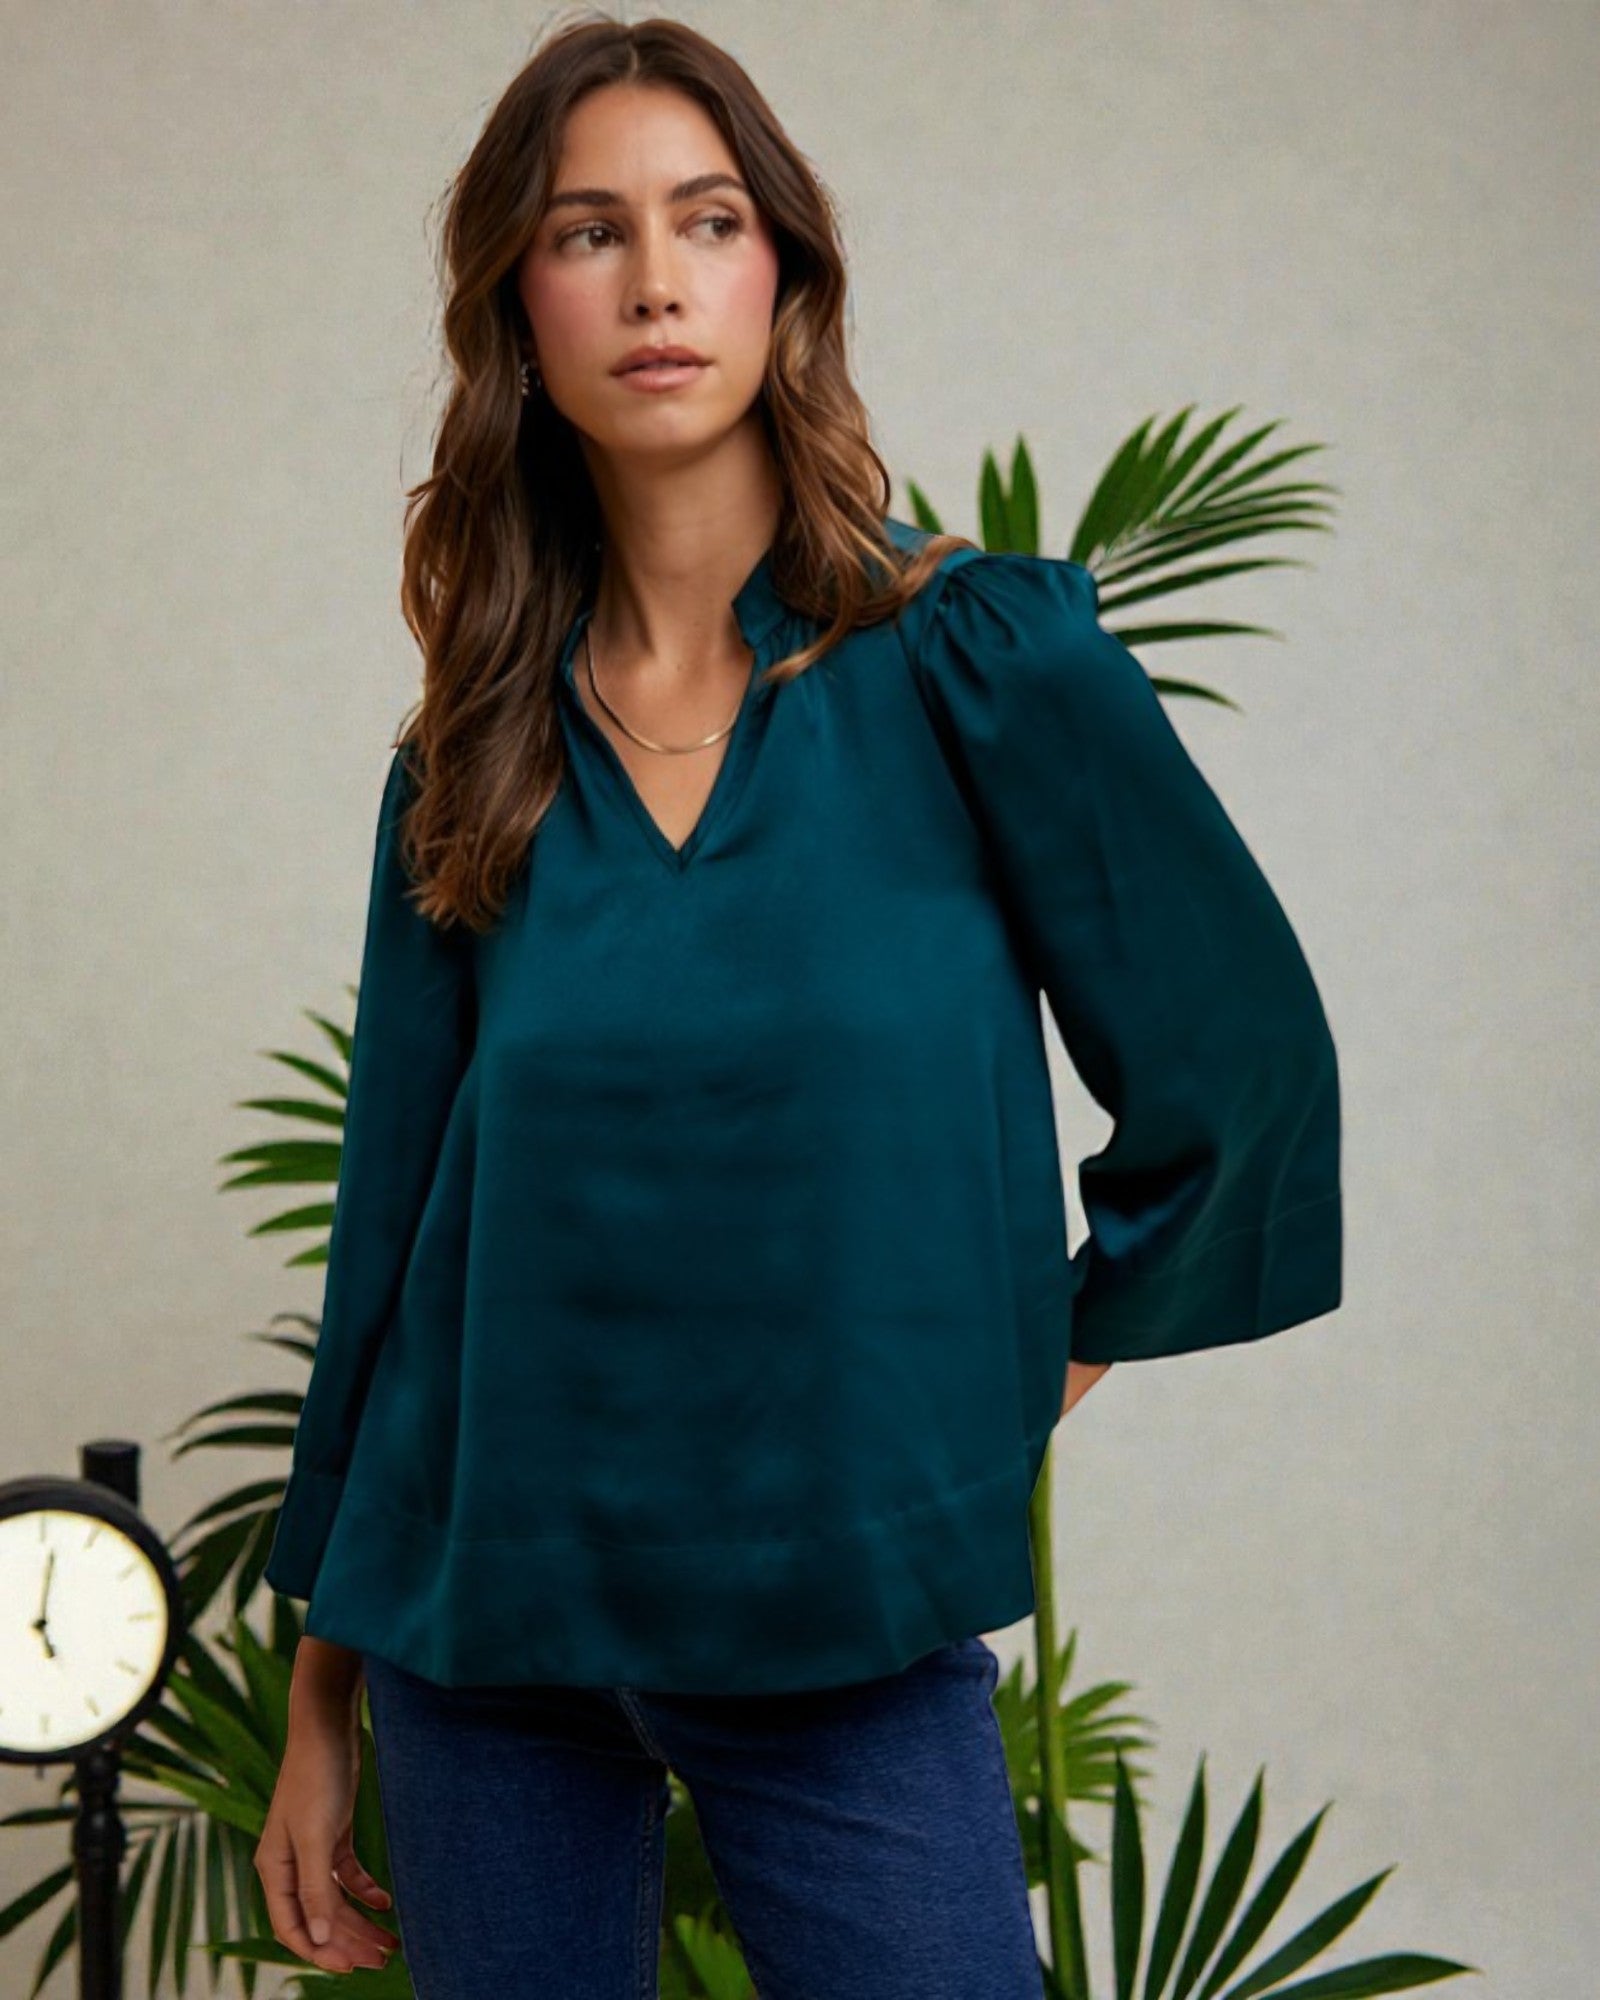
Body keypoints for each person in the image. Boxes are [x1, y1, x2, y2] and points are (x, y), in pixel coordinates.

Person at [252, 16, 1344, 1997]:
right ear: (519, 298)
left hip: (836, 1630)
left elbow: (1232, 1064)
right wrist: (323, 1684)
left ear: (784, 277)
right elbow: (395, 1246)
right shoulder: (467, 760)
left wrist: (1018, 1361)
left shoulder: (976, 667)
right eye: (588, 232)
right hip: (476, 1638)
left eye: (707, 219)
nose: (655, 279)